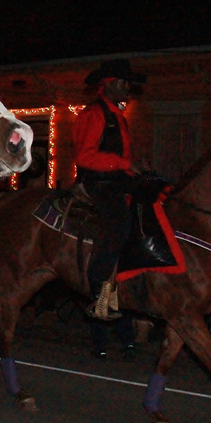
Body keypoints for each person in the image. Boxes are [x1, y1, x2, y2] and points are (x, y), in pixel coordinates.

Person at [73, 59, 147, 320]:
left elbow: (118, 158)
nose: (128, 87)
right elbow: (85, 157)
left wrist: (135, 169)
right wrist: (125, 164)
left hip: (117, 181)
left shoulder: (118, 116)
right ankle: (97, 291)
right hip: (98, 184)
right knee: (119, 224)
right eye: (124, 82)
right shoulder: (93, 114)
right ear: (109, 84)